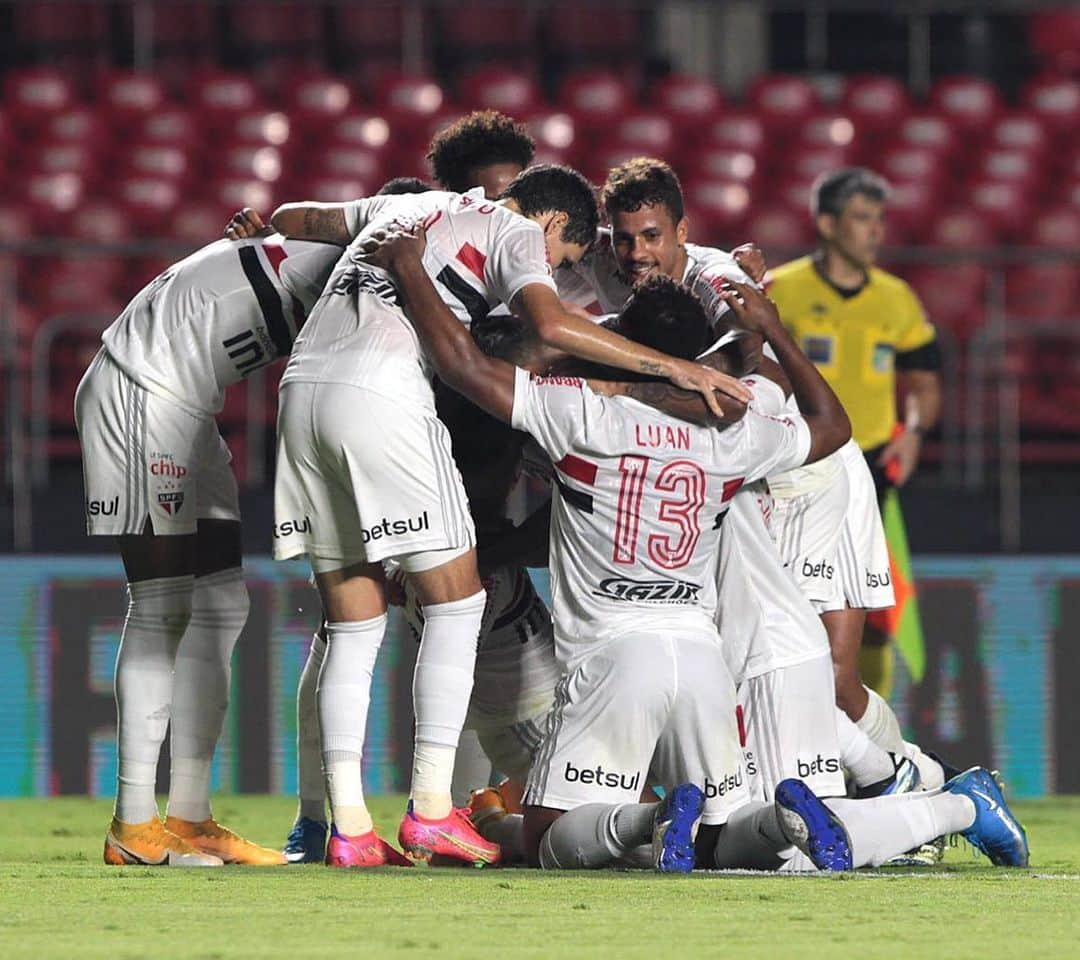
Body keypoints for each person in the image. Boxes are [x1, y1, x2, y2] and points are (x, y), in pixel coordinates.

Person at [370, 230, 1028, 873]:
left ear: (627, 344)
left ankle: (654, 819)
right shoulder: (738, 429)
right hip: (703, 658)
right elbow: (833, 426)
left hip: (621, 652)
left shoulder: (583, 417)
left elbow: (465, 365)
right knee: (733, 839)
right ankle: (801, 816)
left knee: (548, 832)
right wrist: (770, 329)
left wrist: (409, 268)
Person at [265, 164, 751, 868]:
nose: (549, 272)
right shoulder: (518, 228)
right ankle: (431, 811)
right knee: (459, 599)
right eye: (563, 261)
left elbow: (293, 215)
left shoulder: (412, 208)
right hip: (381, 397)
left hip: (302, 393)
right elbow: (548, 323)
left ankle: (347, 829)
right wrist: (677, 369)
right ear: (555, 226)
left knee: (353, 621)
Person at [74, 233, 342, 866]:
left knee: (221, 604)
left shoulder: (315, 251)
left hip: (189, 407)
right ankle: (133, 825)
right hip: (141, 394)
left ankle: (191, 816)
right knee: (162, 605)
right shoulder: (344, 260)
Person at [767, 167, 943, 757]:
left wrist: (913, 431)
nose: (876, 231)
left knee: (872, 609)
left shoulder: (896, 298)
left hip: (871, 467)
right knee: (799, 602)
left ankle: (865, 736)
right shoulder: (782, 291)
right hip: (798, 468)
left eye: (879, 219)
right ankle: (819, 738)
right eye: (863, 218)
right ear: (826, 223)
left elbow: (923, 381)